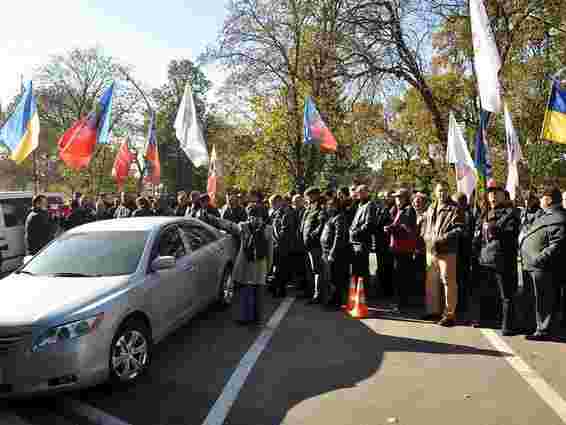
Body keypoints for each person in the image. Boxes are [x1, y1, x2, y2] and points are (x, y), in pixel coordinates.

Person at [200, 206, 273, 326]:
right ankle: (258, 319)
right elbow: (270, 252)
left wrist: (209, 218)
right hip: (261, 266)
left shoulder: (243, 226)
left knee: (246, 292)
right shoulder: (269, 229)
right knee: (258, 294)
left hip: (246, 265)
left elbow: (226, 225)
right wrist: (268, 268)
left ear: (249, 216)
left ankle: (246, 317)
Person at [519, 184, 566, 341]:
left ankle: (544, 330)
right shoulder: (545, 215)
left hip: (545, 267)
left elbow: (558, 244)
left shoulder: (559, 216)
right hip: (535, 266)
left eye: (541, 197)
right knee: (540, 299)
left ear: (549, 199)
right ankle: (539, 327)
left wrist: (539, 259)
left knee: (545, 300)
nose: (539, 200)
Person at [473, 183, 520, 335]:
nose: (493, 196)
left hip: (502, 259)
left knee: (506, 295)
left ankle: (508, 326)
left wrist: (498, 231)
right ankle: (487, 319)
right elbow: (479, 234)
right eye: (490, 193)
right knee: (486, 292)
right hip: (485, 258)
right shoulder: (485, 212)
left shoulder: (511, 212)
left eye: (496, 193)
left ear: (503, 195)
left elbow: (512, 234)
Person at [422, 182, 464, 326]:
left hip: (447, 250)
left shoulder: (455, 208)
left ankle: (449, 315)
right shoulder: (431, 207)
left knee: (448, 282)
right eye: (440, 191)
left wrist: (441, 239)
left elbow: (458, 229)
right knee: (431, 282)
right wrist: (425, 236)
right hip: (431, 250)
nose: (442, 193)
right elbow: (425, 225)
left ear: (449, 191)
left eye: (445, 191)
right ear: (435, 192)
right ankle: (433, 311)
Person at [385, 188, 417, 313]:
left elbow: (406, 229)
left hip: (404, 249)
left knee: (402, 277)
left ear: (405, 198)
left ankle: (402, 304)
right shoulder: (399, 210)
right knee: (398, 276)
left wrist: (391, 229)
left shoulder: (409, 210)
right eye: (396, 197)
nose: (397, 199)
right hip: (397, 248)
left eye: (400, 197)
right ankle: (399, 302)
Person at [320, 196, 349, 309]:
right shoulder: (332, 217)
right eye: (328, 205)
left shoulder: (339, 217)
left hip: (334, 254)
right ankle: (331, 300)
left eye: (330, 205)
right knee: (329, 278)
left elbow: (339, 237)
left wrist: (333, 252)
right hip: (326, 251)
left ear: (336, 206)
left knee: (335, 278)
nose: (328, 207)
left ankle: (336, 302)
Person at [349, 185, 378, 296]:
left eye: (362, 191)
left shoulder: (369, 205)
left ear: (367, 193)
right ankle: (358, 292)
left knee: (362, 269)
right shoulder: (359, 205)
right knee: (356, 269)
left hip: (362, 242)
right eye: (358, 191)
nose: (359, 193)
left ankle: (364, 293)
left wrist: (355, 232)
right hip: (355, 242)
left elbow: (369, 224)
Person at [301, 187, 328, 304]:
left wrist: (312, 235)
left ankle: (318, 295)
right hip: (308, 244)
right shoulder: (311, 206)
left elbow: (322, 224)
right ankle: (311, 292)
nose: (308, 198)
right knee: (312, 270)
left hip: (315, 244)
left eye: (309, 196)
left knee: (317, 270)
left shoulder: (321, 207)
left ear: (315, 195)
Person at [270, 194, 297, 298]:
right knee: (277, 268)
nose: (272, 206)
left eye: (273, 203)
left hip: (283, 246)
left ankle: (280, 290)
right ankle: (277, 288)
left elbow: (285, 231)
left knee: (281, 269)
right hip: (277, 245)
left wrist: (277, 241)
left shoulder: (287, 213)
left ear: (279, 202)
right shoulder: (277, 213)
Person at [413, 191, 428, 306]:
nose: (416, 204)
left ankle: (422, 299)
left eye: (419, 202)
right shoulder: (413, 214)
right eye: (415, 201)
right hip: (414, 249)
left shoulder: (426, 216)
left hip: (422, 249)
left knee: (422, 275)